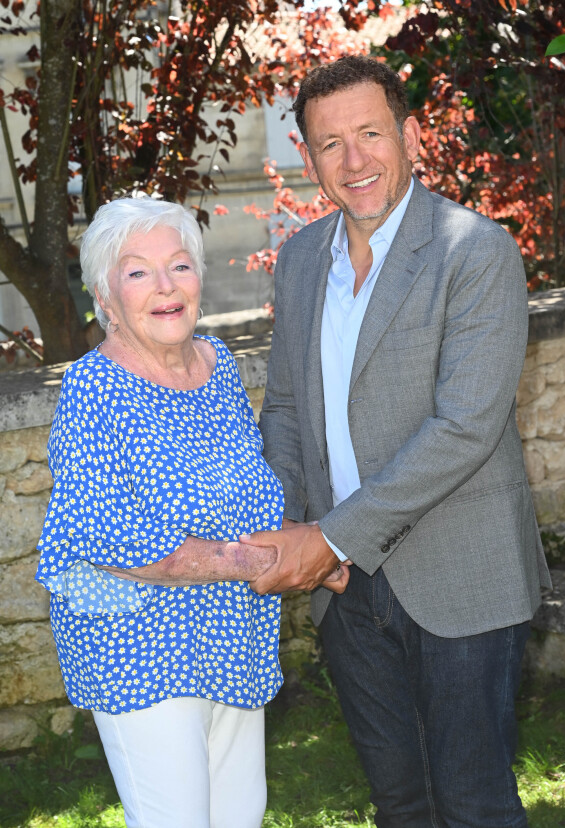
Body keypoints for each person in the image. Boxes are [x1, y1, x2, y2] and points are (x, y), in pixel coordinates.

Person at [246, 56, 552, 827]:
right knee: (400, 804)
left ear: (410, 135)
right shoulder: (301, 263)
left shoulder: (473, 251)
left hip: (459, 576)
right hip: (346, 595)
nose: (354, 162)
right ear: (307, 157)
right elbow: (284, 408)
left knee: (472, 802)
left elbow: (464, 428)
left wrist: (330, 539)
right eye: (329, 144)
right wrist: (288, 530)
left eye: (370, 133)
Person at [35, 196, 344, 828]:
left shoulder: (218, 365)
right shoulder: (93, 390)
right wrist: (277, 562)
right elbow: (115, 540)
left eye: (179, 265)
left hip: (230, 635)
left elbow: (247, 492)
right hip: (137, 648)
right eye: (138, 271)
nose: (165, 286)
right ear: (106, 295)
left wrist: (316, 548)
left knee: (240, 816)